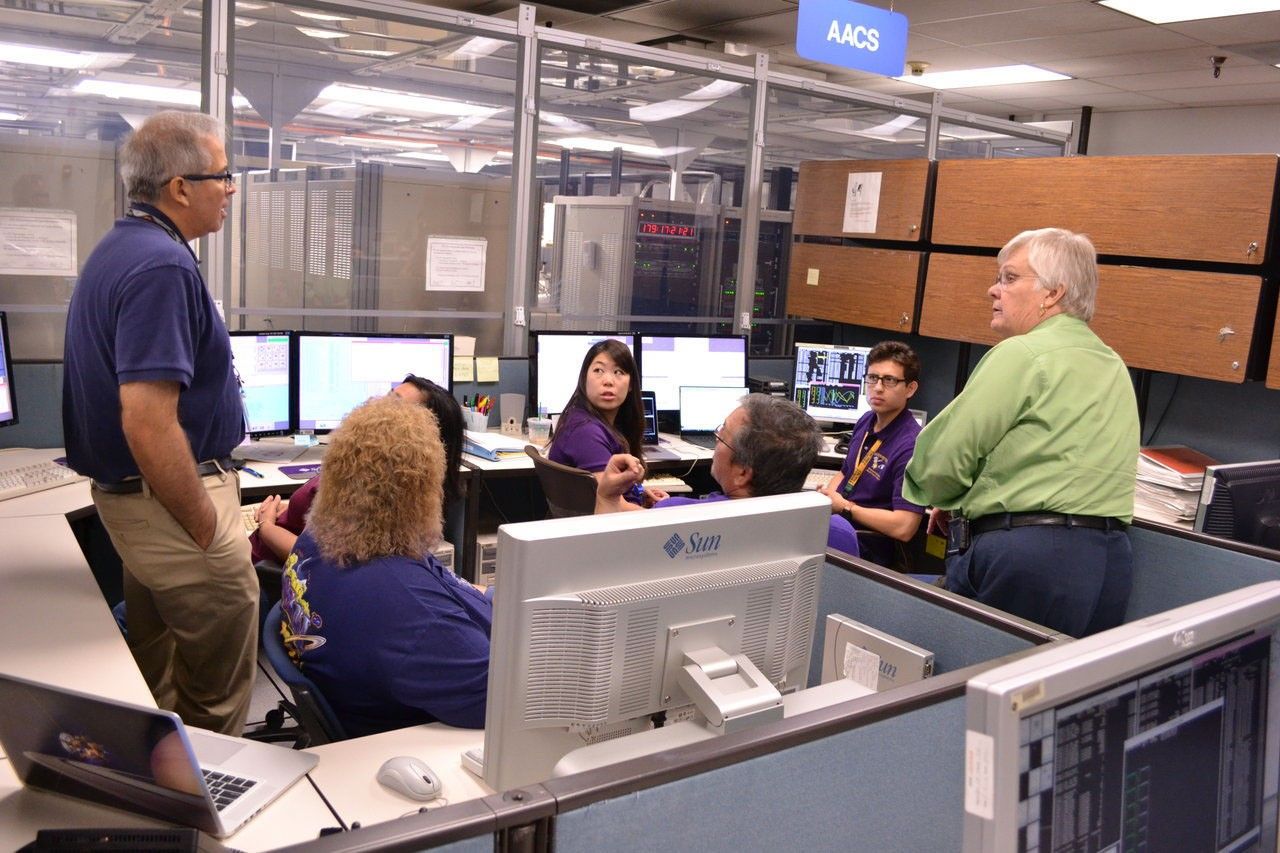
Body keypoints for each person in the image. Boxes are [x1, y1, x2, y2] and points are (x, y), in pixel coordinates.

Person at [61, 110, 255, 735]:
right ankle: (210, 811)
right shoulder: (163, 267)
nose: (230, 189)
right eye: (223, 176)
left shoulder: (123, 248)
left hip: (140, 506)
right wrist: (205, 529)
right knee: (215, 696)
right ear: (180, 187)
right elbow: (148, 423)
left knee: (159, 671)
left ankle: (163, 796)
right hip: (169, 505)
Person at [903, 228, 1139, 637]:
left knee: (978, 689)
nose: (992, 289)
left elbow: (941, 461)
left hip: (1026, 557)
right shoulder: (1112, 362)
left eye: (1009, 278)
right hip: (1107, 560)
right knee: (1067, 695)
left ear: (1052, 293)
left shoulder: (1022, 354)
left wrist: (949, 497)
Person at [279, 395, 492, 736]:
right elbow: (505, 701)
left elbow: (454, 587)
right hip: (424, 740)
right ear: (422, 491)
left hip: (372, 698)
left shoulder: (318, 537)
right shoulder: (408, 606)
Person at [596, 394, 860, 556]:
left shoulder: (678, 520)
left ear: (743, 473)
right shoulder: (837, 532)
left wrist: (607, 495)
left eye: (722, 435)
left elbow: (608, 558)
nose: (717, 438)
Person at [250, 375, 465, 564]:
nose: (377, 405)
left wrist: (267, 526)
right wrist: (295, 508)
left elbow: (315, 558)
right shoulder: (368, 466)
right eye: (387, 396)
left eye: (395, 404)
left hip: (275, 569)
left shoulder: (375, 489)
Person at [818, 341, 925, 567]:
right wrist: (827, 497)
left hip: (872, 551)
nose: (877, 387)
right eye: (872, 378)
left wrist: (846, 507)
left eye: (889, 380)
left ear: (910, 389)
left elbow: (904, 527)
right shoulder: (867, 420)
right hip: (846, 526)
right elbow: (846, 473)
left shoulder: (911, 446)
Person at [548, 338, 665, 505]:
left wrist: (638, 494)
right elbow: (614, 507)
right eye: (598, 370)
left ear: (631, 384)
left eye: (618, 372)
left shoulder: (600, 424)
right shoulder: (585, 432)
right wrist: (665, 514)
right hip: (608, 526)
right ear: (584, 379)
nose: (608, 381)